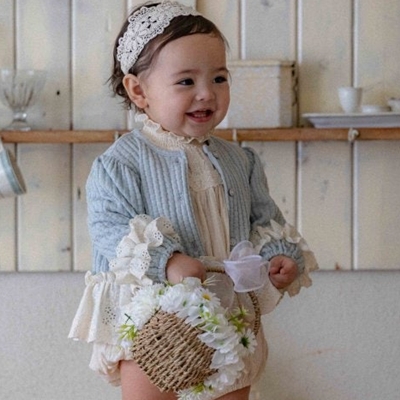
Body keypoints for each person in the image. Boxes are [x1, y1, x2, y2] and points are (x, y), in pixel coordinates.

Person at [69, 2, 318, 400]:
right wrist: (167, 261)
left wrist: (277, 255)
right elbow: (110, 231)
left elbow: (263, 219)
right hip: (155, 324)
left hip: (228, 319)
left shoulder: (240, 160)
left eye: (219, 78)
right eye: (186, 81)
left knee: (232, 386)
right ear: (138, 91)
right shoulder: (121, 163)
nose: (207, 93)